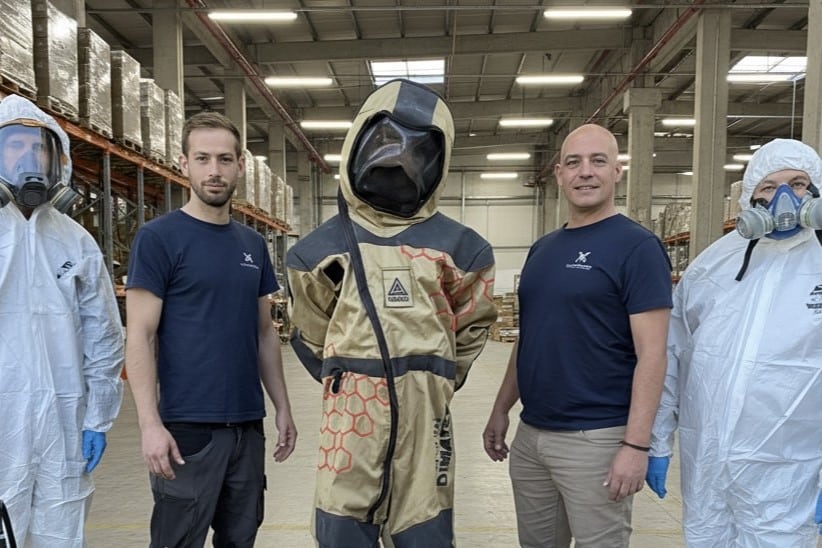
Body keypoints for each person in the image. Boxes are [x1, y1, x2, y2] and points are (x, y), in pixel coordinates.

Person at [287, 78, 497, 547]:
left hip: (428, 421)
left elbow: (472, 323)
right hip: (351, 420)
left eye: (418, 149)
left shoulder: (462, 248)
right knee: (342, 530)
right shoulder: (319, 251)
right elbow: (308, 329)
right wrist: (349, 374)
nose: (399, 159)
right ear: (359, 141)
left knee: (425, 531)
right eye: (386, 141)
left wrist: (435, 377)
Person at [483, 123, 672, 547]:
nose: (585, 172)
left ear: (617, 172)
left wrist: (635, 446)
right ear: (560, 175)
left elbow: (654, 355)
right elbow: (528, 338)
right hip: (532, 435)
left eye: (597, 161)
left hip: (596, 439)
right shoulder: (543, 249)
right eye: (574, 162)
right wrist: (501, 409)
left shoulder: (637, 248)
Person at [125, 111, 297, 547]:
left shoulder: (252, 245)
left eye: (224, 159)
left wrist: (282, 406)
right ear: (184, 164)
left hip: (246, 426)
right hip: (188, 430)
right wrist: (149, 424)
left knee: (240, 539)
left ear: (240, 166)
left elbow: (263, 333)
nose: (214, 171)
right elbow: (140, 335)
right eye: (202, 159)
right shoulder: (159, 238)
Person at [647, 138, 822, 547]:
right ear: (750, 197)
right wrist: (658, 440)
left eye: (797, 184)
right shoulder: (714, 264)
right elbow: (672, 354)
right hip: (707, 461)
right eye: (768, 187)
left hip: (788, 470)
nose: (783, 197)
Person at [0, 94, 124, 545]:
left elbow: (104, 336)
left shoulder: (76, 241)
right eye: (14, 146)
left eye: (39, 149)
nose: (28, 158)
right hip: (2, 420)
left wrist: (98, 418)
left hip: (64, 421)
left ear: (57, 160)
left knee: (62, 531)